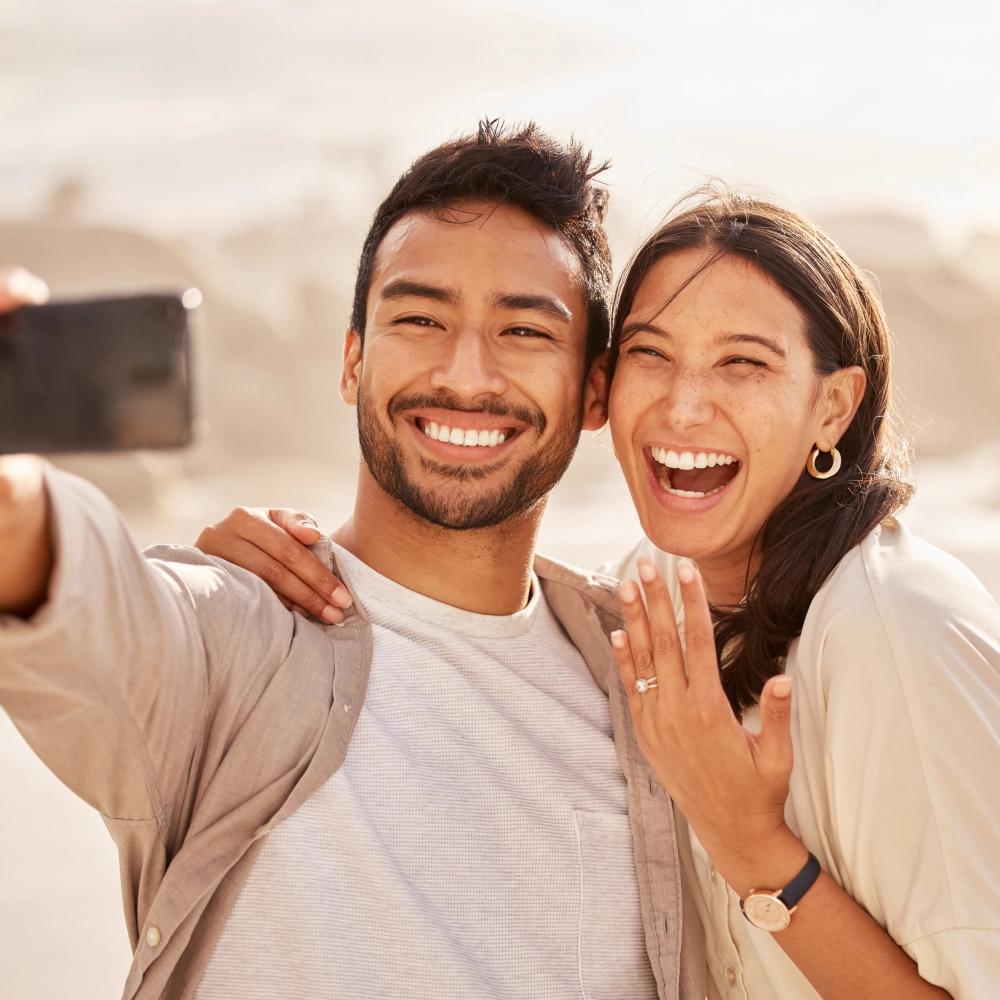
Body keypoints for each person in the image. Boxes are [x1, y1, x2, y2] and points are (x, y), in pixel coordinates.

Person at [211, 190, 1000, 999]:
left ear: (832, 407)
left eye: (743, 363)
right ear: (601, 390)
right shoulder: (642, 595)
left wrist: (752, 846)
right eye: (651, 355)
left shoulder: (899, 631)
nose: (683, 407)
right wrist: (269, 568)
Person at [0, 123, 707, 1000]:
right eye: (419, 318)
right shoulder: (235, 640)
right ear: (352, 360)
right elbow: (73, 586)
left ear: (594, 390)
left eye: (524, 331)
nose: (465, 373)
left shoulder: (658, 684)